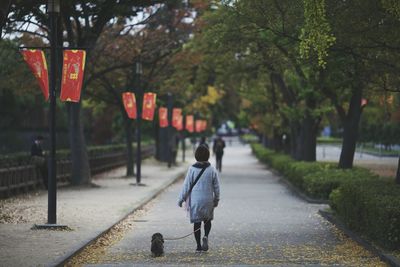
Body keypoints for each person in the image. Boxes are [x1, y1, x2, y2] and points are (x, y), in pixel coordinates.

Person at [178, 145, 220, 252]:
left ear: (196, 155)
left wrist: (181, 199)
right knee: (207, 220)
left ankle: (198, 246)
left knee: (197, 223)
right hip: (208, 200)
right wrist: (216, 199)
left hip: (196, 201)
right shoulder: (212, 169)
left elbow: (186, 185)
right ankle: (205, 235)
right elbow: (216, 186)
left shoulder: (192, 169)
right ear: (207, 155)